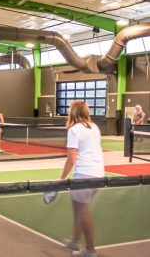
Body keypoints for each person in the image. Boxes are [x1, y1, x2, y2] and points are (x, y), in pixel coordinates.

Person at [60, 101, 104, 257]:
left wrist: (61, 178)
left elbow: (71, 159)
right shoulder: (95, 127)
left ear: (73, 112)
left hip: (84, 176)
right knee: (77, 208)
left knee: (83, 211)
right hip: (99, 175)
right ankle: (74, 241)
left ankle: (90, 250)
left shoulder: (74, 130)